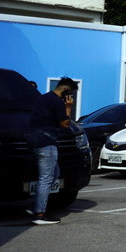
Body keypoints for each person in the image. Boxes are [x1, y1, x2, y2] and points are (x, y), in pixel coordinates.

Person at [27, 77, 78, 224]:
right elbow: (65, 124)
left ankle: (37, 206)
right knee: (46, 177)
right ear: (66, 91)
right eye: (71, 94)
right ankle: (40, 214)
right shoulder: (56, 102)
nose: (71, 97)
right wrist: (68, 107)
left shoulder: (42, 98)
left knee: (54, 173)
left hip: (34, 140)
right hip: (46, 143)